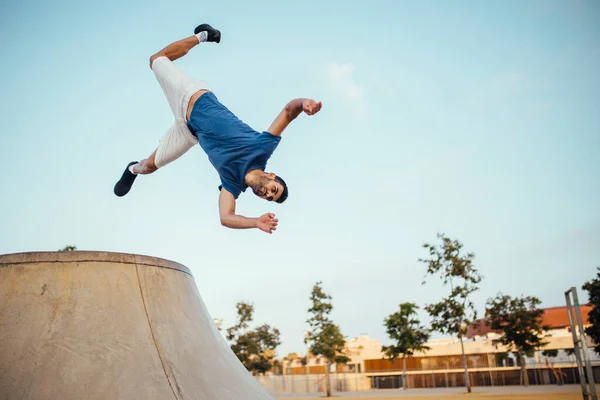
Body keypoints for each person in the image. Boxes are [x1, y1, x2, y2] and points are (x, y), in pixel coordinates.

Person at [113, 23, 322, 234]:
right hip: (193, 98)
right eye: (273, 190)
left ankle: (132, 169)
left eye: (269, 198)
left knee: (148, 166)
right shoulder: (262, 148)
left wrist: (255, 222)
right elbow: (288, 112)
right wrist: (304, 103)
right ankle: (204, 35)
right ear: (272, 175)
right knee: (156, 60)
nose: (267, 194)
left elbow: (226, 217)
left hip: (188, 132)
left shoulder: (232, 184)